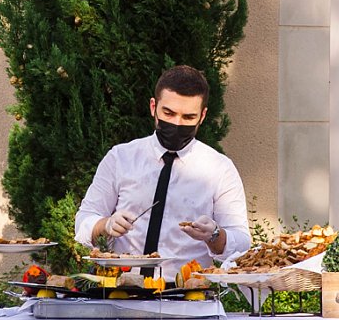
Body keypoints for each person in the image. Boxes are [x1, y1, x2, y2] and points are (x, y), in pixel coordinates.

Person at [74, 65, 252, 265]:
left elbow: (242, 242)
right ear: (153, 107)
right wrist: (105, 225)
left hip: (188, 290)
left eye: (188, 117)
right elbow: (84, 221)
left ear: (202, 116)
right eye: (168, 113)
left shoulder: (219, 169)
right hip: (122, 288)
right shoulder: (120, 158)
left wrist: (215, 235)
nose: (177, 123)